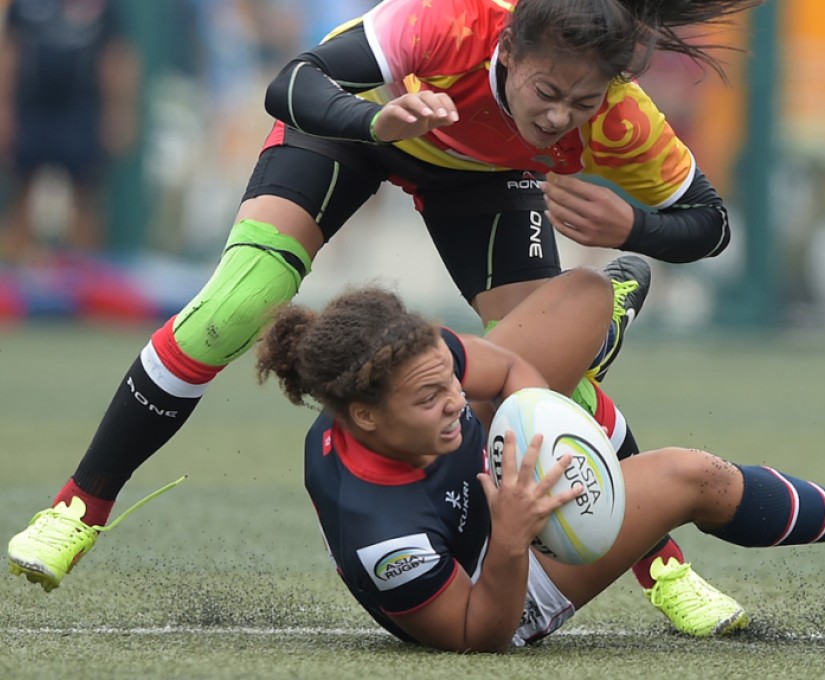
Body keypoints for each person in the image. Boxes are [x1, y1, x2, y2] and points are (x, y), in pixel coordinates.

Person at [7, 0, 763, 636]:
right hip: (356, 128)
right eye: (546, 92)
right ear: (507, 50)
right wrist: (375, 121)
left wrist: (632, 227)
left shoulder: (620, 118)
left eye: (583, 102)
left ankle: (663, 569)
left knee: (555, 371)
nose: (561, 116)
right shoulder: (449, 22)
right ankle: (78, 509)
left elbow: (712, 224)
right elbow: (290, 82)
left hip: (486, 178)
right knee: (234, 306)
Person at [255, 281, 825, 652]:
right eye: (430, 397)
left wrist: (542, 421)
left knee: (584, 293)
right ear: (364, 416)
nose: (453, 396)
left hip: (491, 486)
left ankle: (588, 375)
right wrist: (512, 536)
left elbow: (506, 371)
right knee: (693, 477)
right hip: (494, 579)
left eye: (449, 377)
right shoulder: (381, 531)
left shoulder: (413, 363)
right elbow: (480, 635)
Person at [0, 0, 140, 262]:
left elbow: (116, 58)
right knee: (19, 195)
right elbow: (9, 53)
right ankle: (12, 270)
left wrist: (119, 112)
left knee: (85, 199)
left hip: (81, 111)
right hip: (30, 108)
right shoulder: (24, 6)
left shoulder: (102, 7)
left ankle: (87, 272)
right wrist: (4, 110)